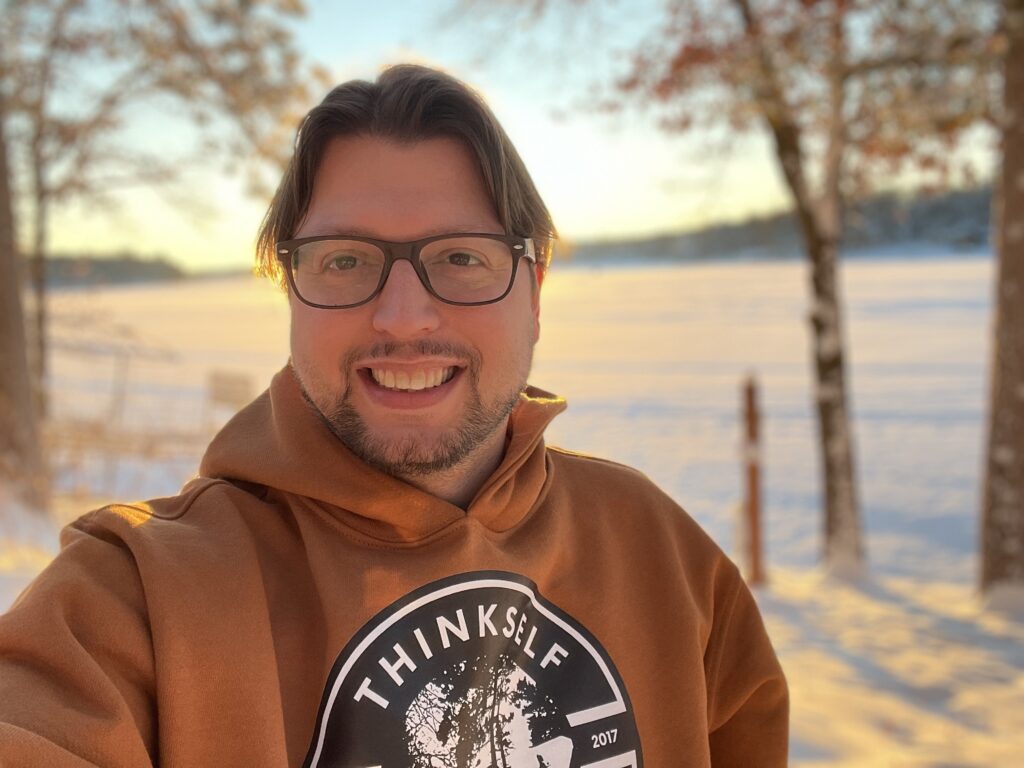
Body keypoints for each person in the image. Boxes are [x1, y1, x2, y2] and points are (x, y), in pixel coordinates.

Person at [0, 64, 788, 766]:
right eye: (345, 260)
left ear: (536, 294)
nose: (403, 317)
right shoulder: (137, 596)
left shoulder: (662, 557)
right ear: (289, 290)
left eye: (461, 257)